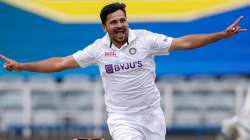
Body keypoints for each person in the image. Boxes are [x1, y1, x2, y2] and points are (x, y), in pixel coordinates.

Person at [0, 2, 247, 140]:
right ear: (104, 26)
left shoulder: (146, 39)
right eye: (114, 22)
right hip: (122, 118)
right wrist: (22, 66)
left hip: (152, 115)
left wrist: (221, 35)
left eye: (123, 20)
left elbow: (185, 42)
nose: (120, 26)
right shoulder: (97, 49)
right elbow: (60, 63)